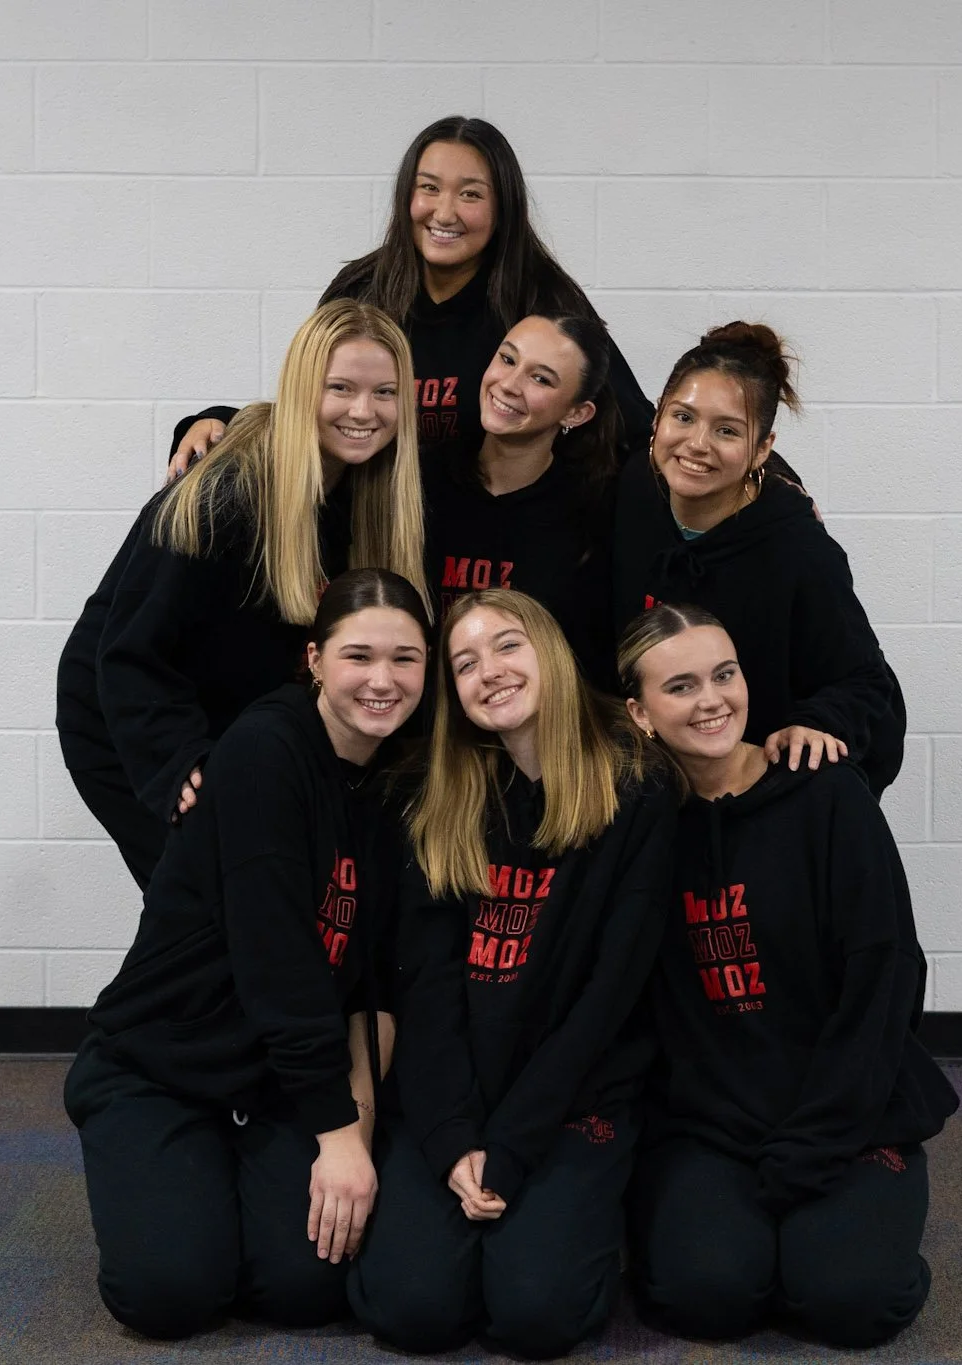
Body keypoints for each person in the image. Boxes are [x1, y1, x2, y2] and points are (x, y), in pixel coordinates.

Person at [63, 569, 432, 1338]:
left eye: (406, 659)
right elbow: (279, 962)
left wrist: (354, 1137)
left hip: (276, 1080)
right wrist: (333, 1138)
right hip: (166, 1062)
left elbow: (380, 982)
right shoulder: (266, 750)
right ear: (314, 659)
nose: (382, 680)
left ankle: (229, 1177)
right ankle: (175, 1167)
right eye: (358, 655)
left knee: (302, 1289)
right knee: (171, 1295)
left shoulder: (402, 776)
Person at [616, 603, 957, 1349]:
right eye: (681, 685)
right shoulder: (639, 825)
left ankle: (852, 1225)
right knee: (706, 1296)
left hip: (849, 1112)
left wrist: (815, 1142)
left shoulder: (826, 791)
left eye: (725, 674)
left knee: (850, 1302)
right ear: (640, 712)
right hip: (710, 1123)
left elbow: (886, 976)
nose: (712, 699)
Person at [349, 589, 675, 1359]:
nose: (488, 670)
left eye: (507, 645)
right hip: (455, 1095)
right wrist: (451, 1136)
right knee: (412, 1312)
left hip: (569, 1099)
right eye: (464, 662)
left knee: (538, 1316)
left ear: (552, 654)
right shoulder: (441, 800)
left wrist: (514, 1146)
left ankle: (585, 1223)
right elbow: (423, 990)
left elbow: (606, 999)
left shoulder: (635, 786)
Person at [54, 300, 426, 887]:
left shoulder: (364, 490)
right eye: (341, 388)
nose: (364, 411)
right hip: (121, 719)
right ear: (303, 390)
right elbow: (130, 651)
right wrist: (179, 763)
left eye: (385, 392)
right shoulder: (226, 495)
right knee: (207, 916)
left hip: (230, 725)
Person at [168, 116, 653, 476]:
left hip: (502, 536)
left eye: (470, 194)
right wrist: (219, 421)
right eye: (429, 188)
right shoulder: (363, 289)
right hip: (373, 528)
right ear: (407, 197)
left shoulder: (545, 300)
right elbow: (310, 408)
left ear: (503, 207)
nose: (444, 212)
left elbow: (633, 430)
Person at [612, 322, 906, 795]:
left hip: (751, 787)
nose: (697, 444)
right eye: (683, 417)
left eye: (727, 430)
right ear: (657, 418)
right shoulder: (632, 493)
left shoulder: (798, 548)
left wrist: (814, 723)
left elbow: (865, 681)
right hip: (656, 785)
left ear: (761, 449)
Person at [423, 312, 622, 683]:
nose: (510, 384)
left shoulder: (592, 512)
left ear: (577, 413)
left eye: (540, 378)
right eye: (508, 359)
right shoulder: (422, 480)